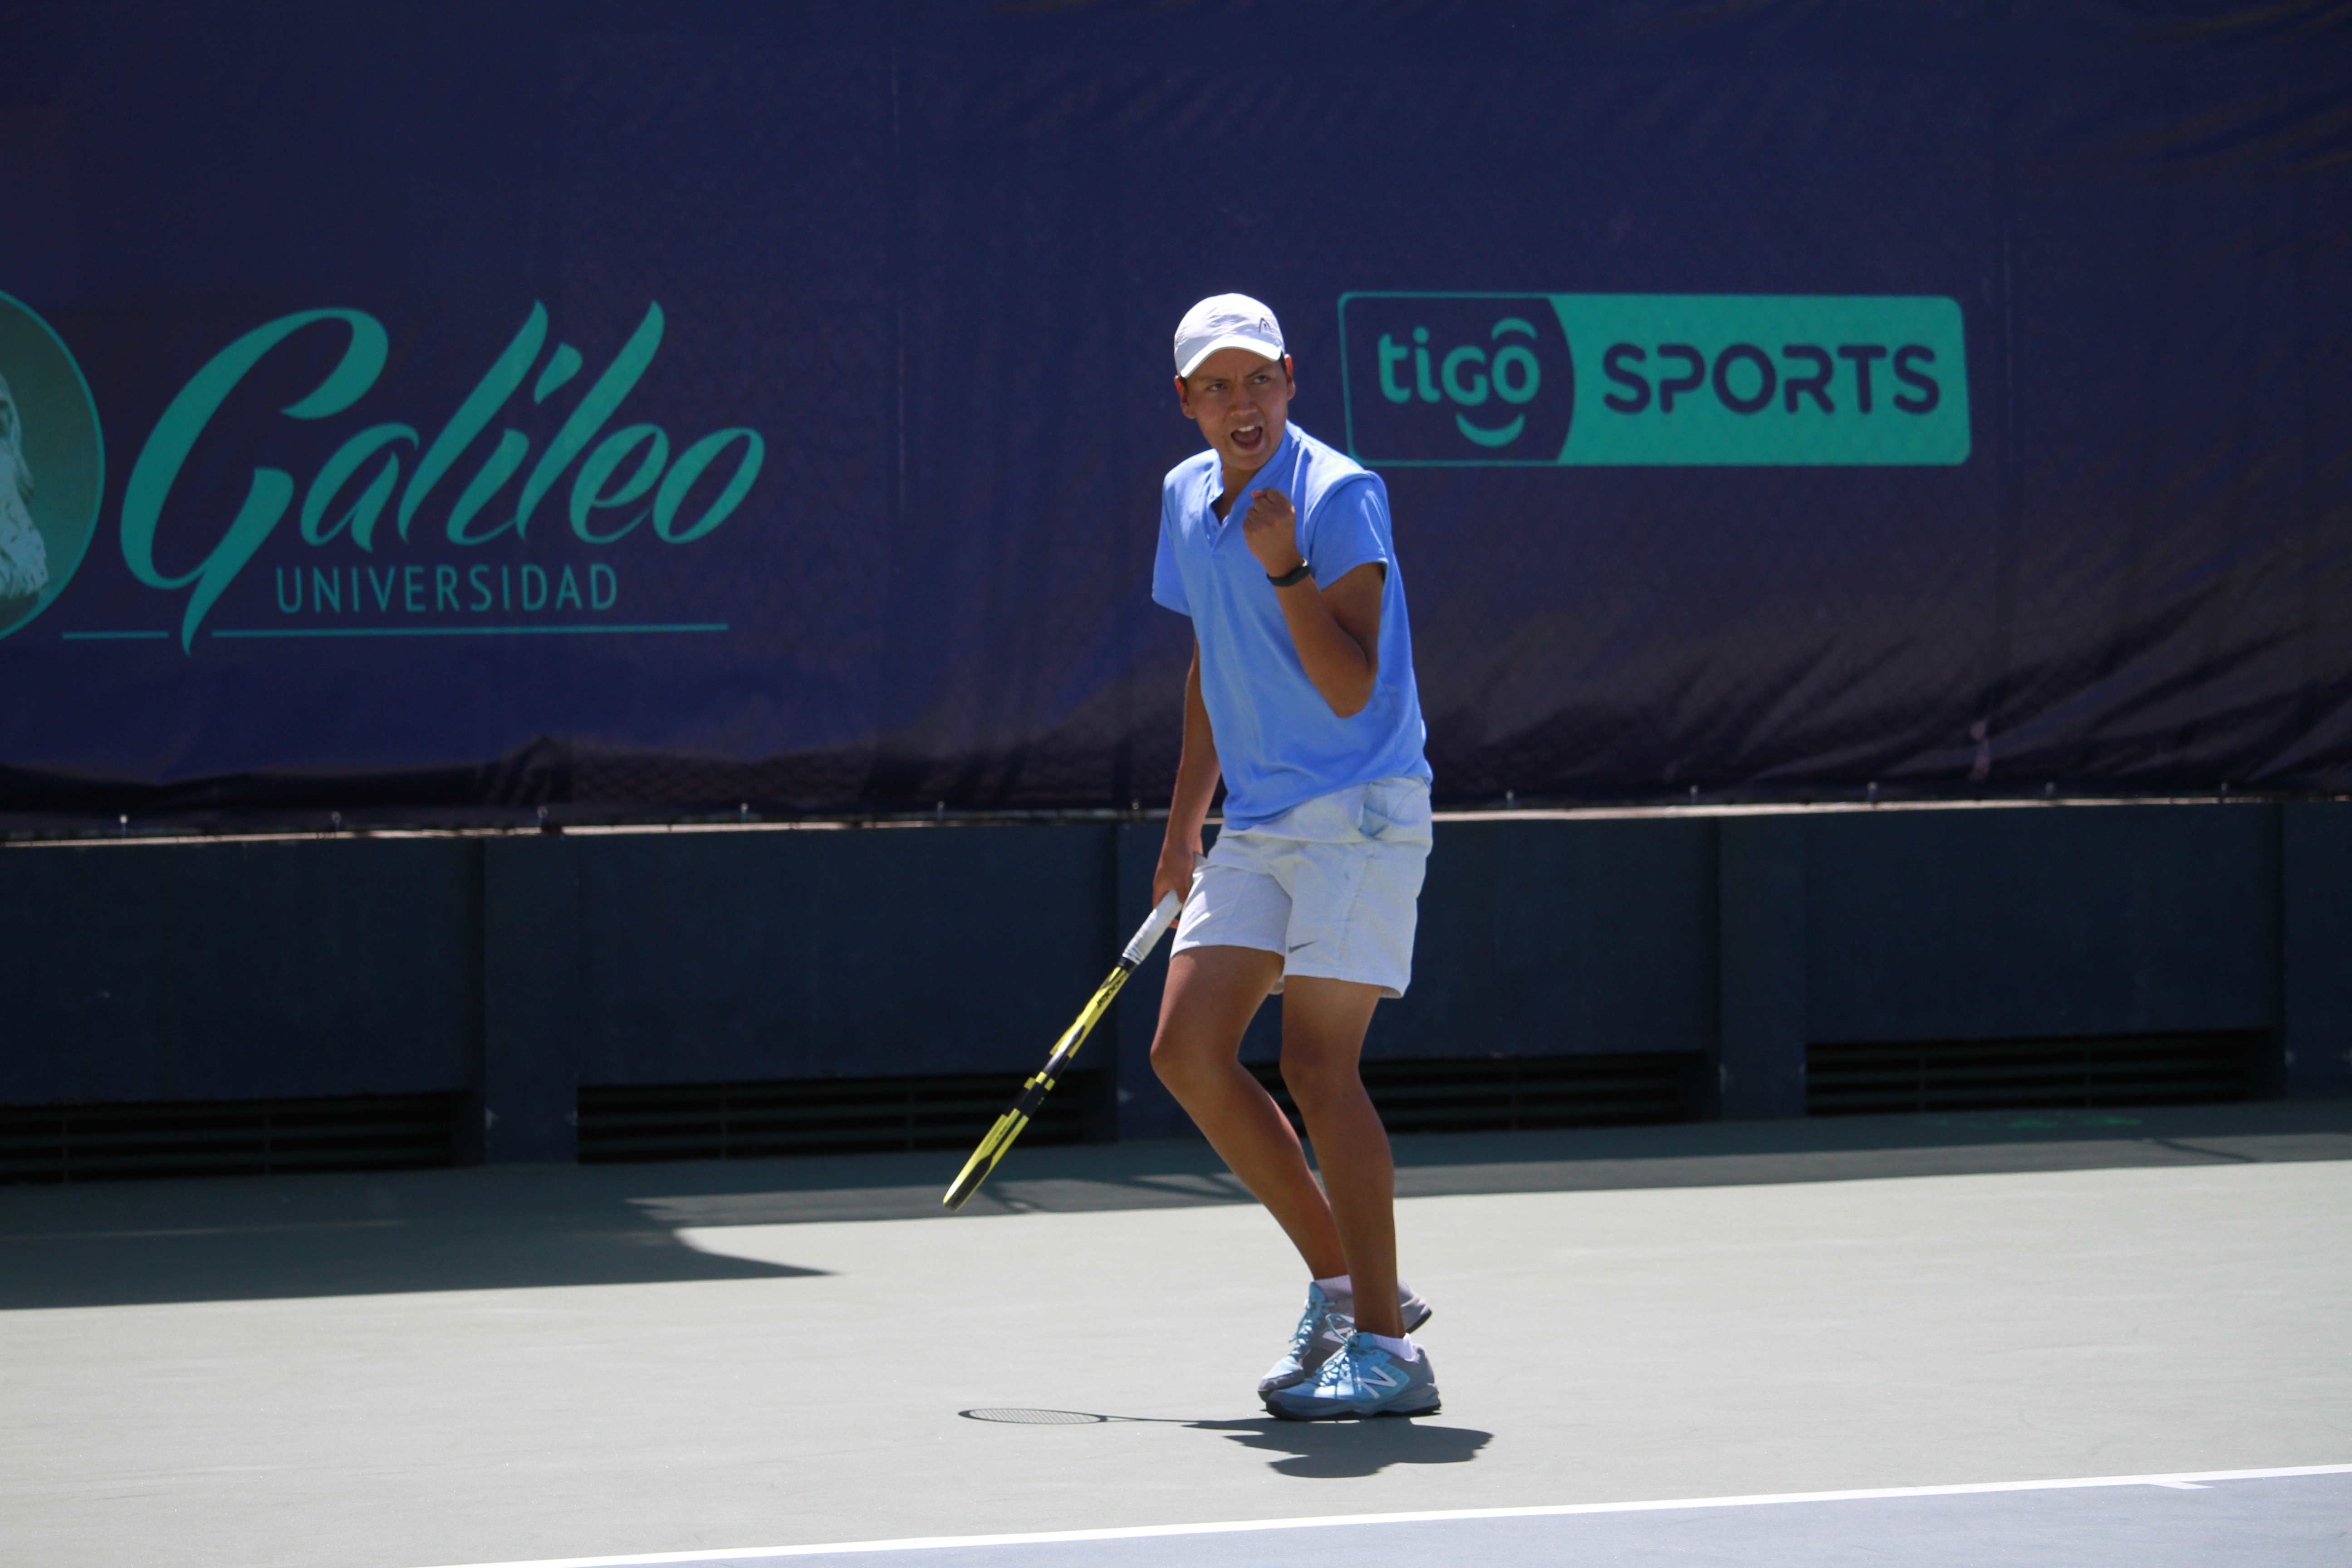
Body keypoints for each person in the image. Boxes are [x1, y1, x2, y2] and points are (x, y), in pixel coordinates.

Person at [1147, 294, 1438, 1420]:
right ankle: (1348, 1284)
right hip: (1260, 819)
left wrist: (1284, 569)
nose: (1239, 401)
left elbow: (1354, 684)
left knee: (1319, 1069)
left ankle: (1389, 1352)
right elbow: (1214, 664)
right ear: (1186, 402)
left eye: (1255, 378)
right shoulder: (1184, 495)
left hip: (1362, 810)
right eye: (1214, 385)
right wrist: (1184, 826)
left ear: (1290, 380)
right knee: (1186, 1050)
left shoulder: (1339, 494)